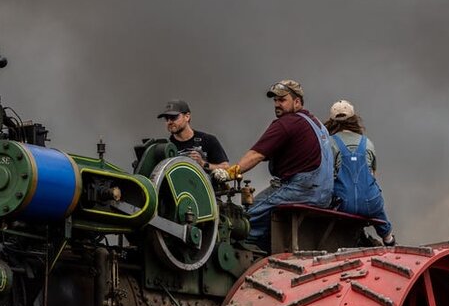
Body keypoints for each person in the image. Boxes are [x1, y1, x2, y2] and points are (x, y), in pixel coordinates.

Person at [207, 79, 333, 251]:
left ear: (297, 102)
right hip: (324, 195)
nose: (277, 104)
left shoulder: (287, 123)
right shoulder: (317, 125)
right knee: (262, 226)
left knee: (241, 220)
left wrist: (229, 173)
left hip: (300, 190)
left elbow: (257, 155)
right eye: (275, 100)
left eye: (282, 100)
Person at [324, 99, 395, 246]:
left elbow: (327, 177)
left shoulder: (329, 143)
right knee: (377, 203)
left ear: (331, 122)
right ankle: (388, 238)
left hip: (342, 205)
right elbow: (372, 174)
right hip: (370, 204)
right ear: (354, 120)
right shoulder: (367, 143)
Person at [156, 100, 229, 166]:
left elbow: (226, 168)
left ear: (187, 117)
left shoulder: (208, 140)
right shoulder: (165, 147)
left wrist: (203, 163)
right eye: (166, 119)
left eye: (173, 117)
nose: (169, 122)